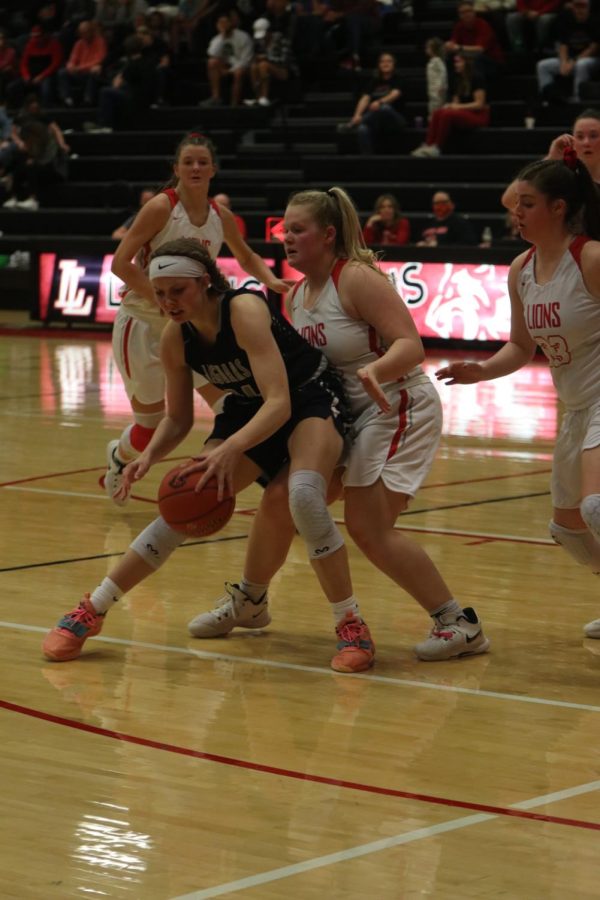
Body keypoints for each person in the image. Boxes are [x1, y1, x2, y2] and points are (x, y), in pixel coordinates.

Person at [42, 237, 373, 675]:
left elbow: (280, 403)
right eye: (160, 293)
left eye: (178, 291)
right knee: (188, 499)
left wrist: (231, 448)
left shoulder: (244, 309)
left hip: (308, 398)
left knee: (302, 496)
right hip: (250, 409)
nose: (168, 302)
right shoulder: (175, 338)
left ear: (204, 282)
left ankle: (351, 624)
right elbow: (177, 419)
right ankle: (92, 609)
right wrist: (148, 456)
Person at [189, 186, 490, 663]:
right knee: (279, 498)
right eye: (283, 228)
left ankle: (458, 622)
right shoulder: (298, 295)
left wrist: (375, 370)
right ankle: (250, 601)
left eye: (298, 229)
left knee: (367, 526)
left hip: (395, 404)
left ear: (328, 235)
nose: (286, 237)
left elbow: (411, 345)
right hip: (341, 413)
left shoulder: (357, 278)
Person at [436, 151, 600, 643]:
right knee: (568, 527)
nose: (516, 212)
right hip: (572, 409)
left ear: (558, 207)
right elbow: (521, 345)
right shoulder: (520, 268)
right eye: (515, 205)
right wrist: (482, 370)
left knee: (596, 508)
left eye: (528, 203)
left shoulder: (589, 257)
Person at [104, 132, 291, 507]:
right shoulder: (161, 207)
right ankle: (118, 458)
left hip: (191, 328)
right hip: (142, 323)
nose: (195, 167)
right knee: (149, 426)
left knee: (231, 407)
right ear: (175, 169)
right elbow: (121, 264)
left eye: (202, 162)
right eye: (188, 161)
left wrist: (271, 280)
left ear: (213, 170)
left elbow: (246, 254)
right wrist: (163, 301)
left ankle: (273, 486)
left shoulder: (221, 216)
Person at [501, 108, 600, 211]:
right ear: (572, 139)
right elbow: (510, 200)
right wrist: (551, 158)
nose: (586, 142)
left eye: (594, 136)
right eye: (580, 136)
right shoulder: (562, 177)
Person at [411, 52, 489, 158]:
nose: (455, 65)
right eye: (455, 62)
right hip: (465, 112)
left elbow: (479, 104)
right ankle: (428, 144)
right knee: (438, 112)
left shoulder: (476, 77)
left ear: (466, 62)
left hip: (478, 115)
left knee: (447, 115)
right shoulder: (459, 79)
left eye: (458, 62)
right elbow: (456, 101)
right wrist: (451, 105)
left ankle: (437, 147)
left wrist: (456, 107)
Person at [336, 51, 406, 154]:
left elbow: (395, 94)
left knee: (385, 108)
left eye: (389, 61)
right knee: (362, 129)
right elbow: (365, 98)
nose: (385, 64)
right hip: (376, 120)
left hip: (395, 120)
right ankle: (368, 160)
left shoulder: (399, 79)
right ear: (378, 65)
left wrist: (379, 102)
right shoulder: (374, 81)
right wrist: (357, 115)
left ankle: (351, 125)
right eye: (382, 61)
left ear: (394, 64)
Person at [536, 0, 600, 104]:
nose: (579, 10)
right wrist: (563, 62)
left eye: (583, 6)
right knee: (542, 66)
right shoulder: (566, 19)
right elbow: (563, 44)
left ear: (589, 7)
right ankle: (547, 98)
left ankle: (578, 99)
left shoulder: (595, 20)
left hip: (592, 59)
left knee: (581, 65)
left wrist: (573, 61)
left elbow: (593, 48)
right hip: (570, 58)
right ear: (572, 7)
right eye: (576, 6)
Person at [200, 11, 253, 107]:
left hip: (242, 67)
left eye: (225, 22)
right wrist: (223, 37)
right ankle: (216, 98)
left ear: (231, 23)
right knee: (212, 62)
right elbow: (212, 54)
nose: (223, 25)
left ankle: (234, 104)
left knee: (238, 73)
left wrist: (230, 71)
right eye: (220, 23)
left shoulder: (243, 37)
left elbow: (246, 60)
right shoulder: (217, 39)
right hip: (225, 67)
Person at [56, 19, 107, 107]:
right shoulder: (79, 43)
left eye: (86, 32)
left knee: (94, 71)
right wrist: (71, 66)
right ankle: (67, 99)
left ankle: (88, 100)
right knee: (62, 72)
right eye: (81, 33)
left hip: (90, 72)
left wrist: (79, 68)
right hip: (79, 72)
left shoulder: (100, 41)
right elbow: (72, 59)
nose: (84, 35)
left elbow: (99, 60)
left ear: (91, 31)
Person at [425, 36, 448, 119]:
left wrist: (442, 86)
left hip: (438, 90)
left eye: (428, 47)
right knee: (432, 105)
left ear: (433, 49)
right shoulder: (431, 61)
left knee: (438, 105)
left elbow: (443, 73)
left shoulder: (437, 60)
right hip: (432, 89)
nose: (426, 49)